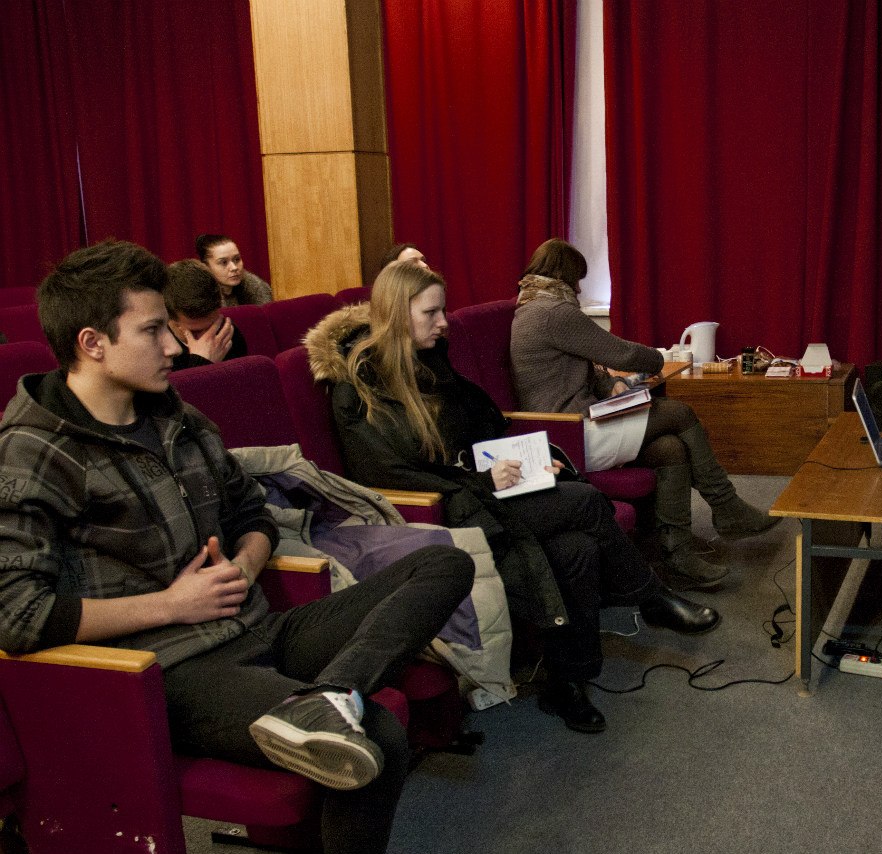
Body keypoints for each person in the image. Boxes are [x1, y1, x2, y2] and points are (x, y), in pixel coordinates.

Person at [0, 240, 475, 854]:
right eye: (152, 331)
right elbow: (19, 616)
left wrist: (246, 566)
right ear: (93, 343)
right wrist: (173, 605)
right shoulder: (31, 453)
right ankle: (327, 709)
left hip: (253, 623)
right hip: (165, 671)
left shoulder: (177, 417)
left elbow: (252, 512)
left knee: (443, 562)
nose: (174, 347)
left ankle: (325, 697)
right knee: (373, 735)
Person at [305, 259, 721, 734]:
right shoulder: (357, 390)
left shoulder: (429, 362)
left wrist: (527, 460)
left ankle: (567, 684)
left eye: (443, 311)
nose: (443, 323)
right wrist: (484, 479)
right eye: (430, 313)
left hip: (478, 490)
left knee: (577, 549)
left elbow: (477, 430)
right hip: (439, 514)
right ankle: (648, 595)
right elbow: (393, 477)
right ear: (398, 314)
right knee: (584, 503)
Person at [508, 238, 779, 591]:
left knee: (670, 448)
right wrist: (657, 359)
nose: (579, 289)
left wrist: (611, 386)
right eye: (577, 280)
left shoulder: (535, 307)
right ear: (564, 275)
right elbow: (619, 353)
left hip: (572, 423)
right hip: (567, 434)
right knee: (680, 413)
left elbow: (585, 367)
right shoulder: (553, 312)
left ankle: (677, 555)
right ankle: (726, 505)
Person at [165, 258, 247, 370]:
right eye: (195, 332)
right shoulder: (155, 348)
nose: (208, 338)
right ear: (168, 318)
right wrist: (201, 362)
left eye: (212, 327)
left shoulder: (227, 333)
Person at [196, 233, 273, 305]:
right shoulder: (200, 299)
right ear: (206, 267)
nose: (234, 267)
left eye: (237, 259)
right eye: (224, 262)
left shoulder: (256, 290)